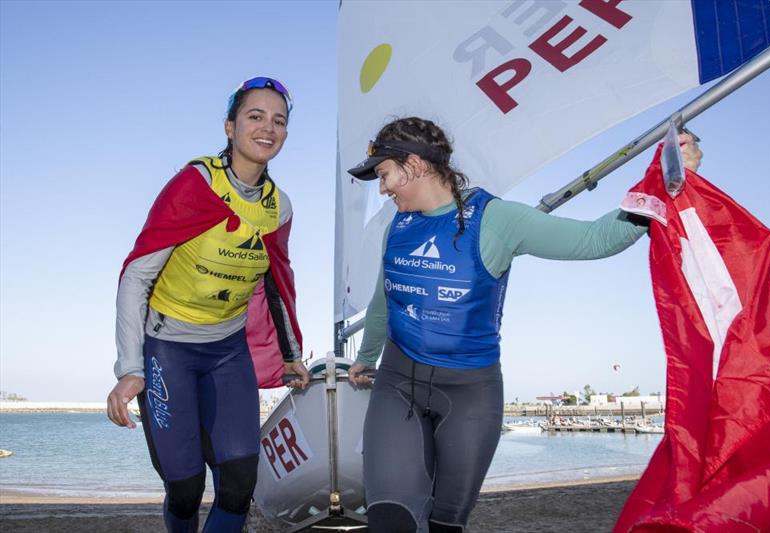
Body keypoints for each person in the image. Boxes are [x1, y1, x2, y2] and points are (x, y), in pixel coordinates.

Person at [345, 116, 701, 533]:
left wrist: (665, 184)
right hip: (397, 383)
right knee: (390, 521)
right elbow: (383, 300)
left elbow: (594, 240)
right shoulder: (398, 226)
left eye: (386, 175)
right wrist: (366, 357)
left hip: (469, 396)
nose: (383, 189)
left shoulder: (496, 219)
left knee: (445, 525)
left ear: (416, 164)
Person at [106, 76, 310, 533]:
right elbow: (137, 273)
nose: (267, 128)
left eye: (278, 121)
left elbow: (276, 282)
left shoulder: (280, 207)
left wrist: (292, 356)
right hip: (168, 350)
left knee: (239, 483)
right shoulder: (195, 183)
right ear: (229, 127)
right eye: (254, 116)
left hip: (227, 351)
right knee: (185, 489)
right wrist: (130, 368)